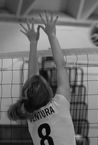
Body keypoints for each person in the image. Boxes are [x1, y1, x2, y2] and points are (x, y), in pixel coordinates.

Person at [7, 12, 76, 145]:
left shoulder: (30, 115)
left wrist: (34, 43)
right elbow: (61, 65)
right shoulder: (59, 106)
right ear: (48, 91)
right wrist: (52, 35)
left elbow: (33, 79)